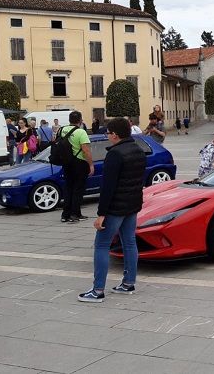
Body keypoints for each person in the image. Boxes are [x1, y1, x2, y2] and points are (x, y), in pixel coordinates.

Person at [78, 118, 146, 303]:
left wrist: (101, 214)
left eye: (108, 133)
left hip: (116, 207)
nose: (107, 135)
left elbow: (107, 187)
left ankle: (98, 290)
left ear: (115, 134)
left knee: (101, 245)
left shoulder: (115, 154)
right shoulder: (138, 149)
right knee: (130, 243)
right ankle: (128, 283)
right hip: (132, 204)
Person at [60, 111, 94, 223]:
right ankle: (75, 214)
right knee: (78, 189)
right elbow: (85, 149)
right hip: (79, 162)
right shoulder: (81, 132)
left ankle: (65, 214)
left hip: (66, 162)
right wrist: (91, 164)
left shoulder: (62, 130)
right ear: (80, 120)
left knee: (68, 188)